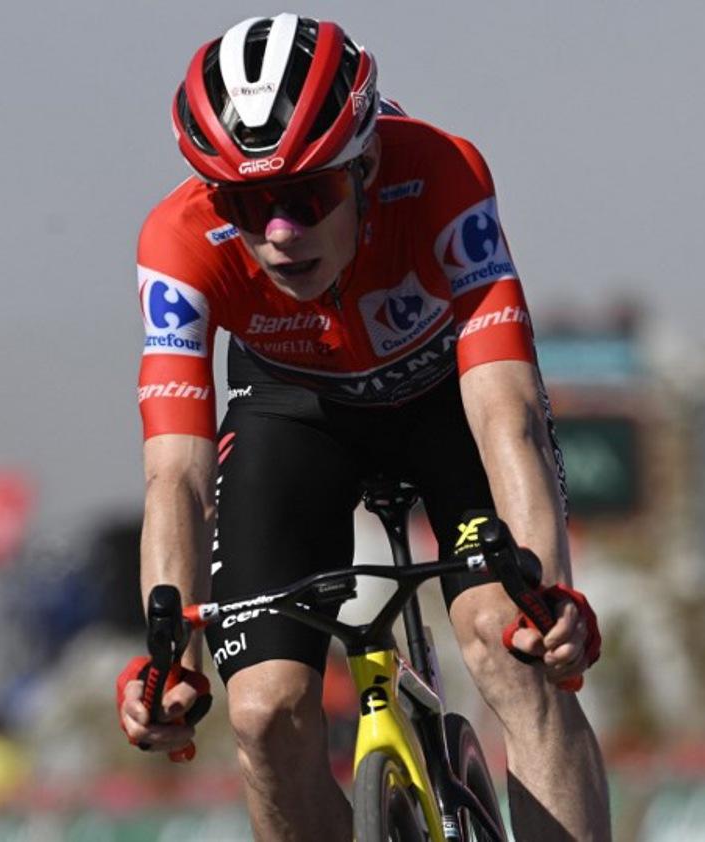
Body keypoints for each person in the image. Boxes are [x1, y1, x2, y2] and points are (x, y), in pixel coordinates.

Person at [117, 13, 611, 841]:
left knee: (512, 648)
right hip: (294, 415)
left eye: (306, 196)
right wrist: (170, 658)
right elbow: (177, 473)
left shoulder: (442, 172)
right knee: (264, 716)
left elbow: (507, 411)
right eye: (246, 204)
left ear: (366, 162)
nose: (279, 234)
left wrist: (548, 593)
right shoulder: (178, 241)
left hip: (443, 398)